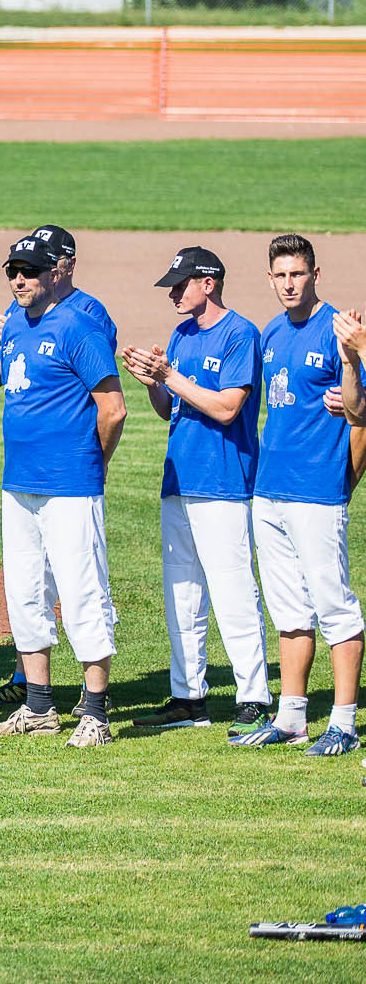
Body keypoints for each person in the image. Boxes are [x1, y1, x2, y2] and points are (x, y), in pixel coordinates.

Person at [0, 233, 126, 749]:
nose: (20, 279)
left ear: (56, 273)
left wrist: (93, 464)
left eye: (30, 270)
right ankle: (39, 706)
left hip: (70, 485)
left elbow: (113, 407)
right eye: (13, 271)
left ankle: (96, 713)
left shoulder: (80, 325)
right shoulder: (14, 323)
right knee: (24, 594)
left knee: (83, 594)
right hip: (19, 484)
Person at [119, 247, 271, 733]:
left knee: (232, 591)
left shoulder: (240, 335)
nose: (173, 293)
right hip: (179, 479)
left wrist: (171, 377)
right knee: (181, 594)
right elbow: (171, 409)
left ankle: (253, 696)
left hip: (224, 482)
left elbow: (227, 408)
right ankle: (188, 698)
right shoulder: (182, 335)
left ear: (209, 283)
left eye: (180, 284)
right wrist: (151, 383)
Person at [233, 235, 362, 754]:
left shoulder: (338, 332)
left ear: (316, 275)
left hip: (316, 492)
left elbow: (359, 411)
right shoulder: (270, 333)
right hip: (271, 491)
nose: (289, 284)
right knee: (288, 610)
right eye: (280, 275)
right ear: (270, 278)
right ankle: (291, 718)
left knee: (336, 608)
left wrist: (352, 362)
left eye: (298, 274)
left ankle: (346, 723)